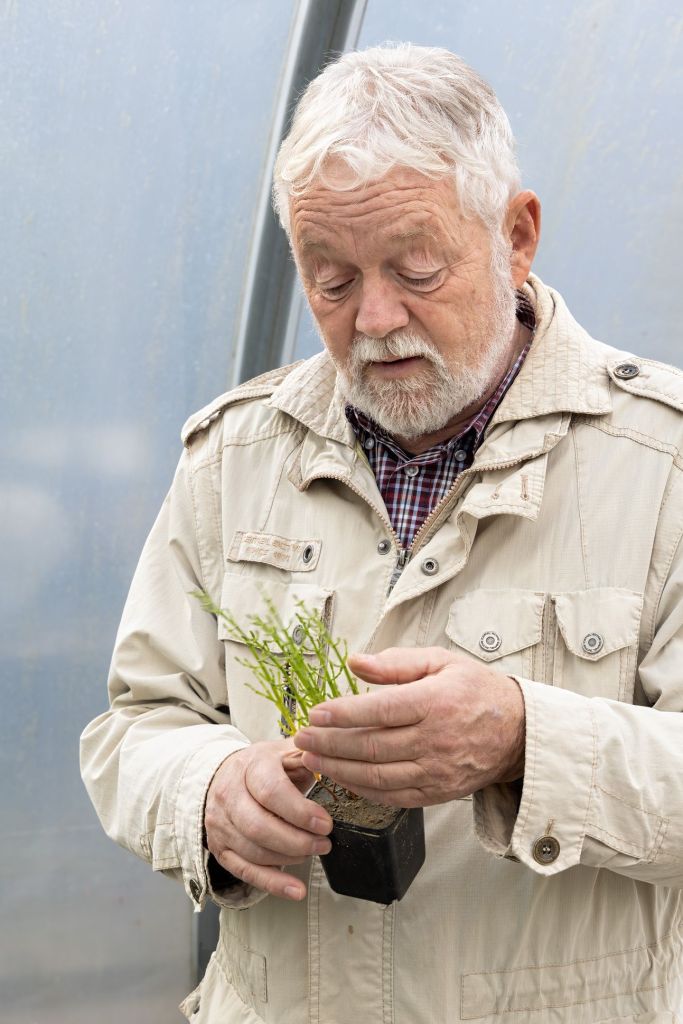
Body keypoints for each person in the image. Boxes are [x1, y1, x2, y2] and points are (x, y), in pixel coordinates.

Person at [80, 44, 683, 1024]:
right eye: (329, 280)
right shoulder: (234, 456)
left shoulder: (661, 463)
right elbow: (136, 723)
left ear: (515, 235)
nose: (373, 317)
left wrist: (522, 741)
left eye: (415, 268)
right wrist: (207, 790)